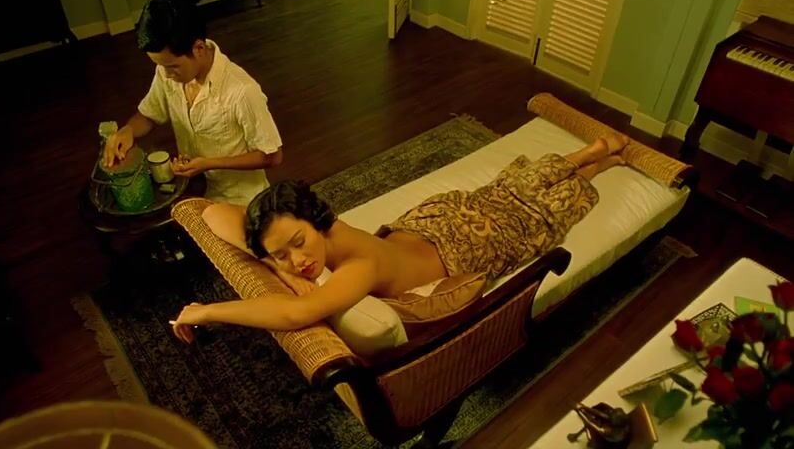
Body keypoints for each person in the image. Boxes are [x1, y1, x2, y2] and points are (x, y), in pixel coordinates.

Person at [171, 134, 630, 343]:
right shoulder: (323, 234)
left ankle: (591, 156)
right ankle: (596, 158)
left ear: (314, 221)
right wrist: (278, 266)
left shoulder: (358, 268)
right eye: (281, 255)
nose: (299, 260)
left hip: (464, 237)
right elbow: (215, 213)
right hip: (431, 226)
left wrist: (206, 310)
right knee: (510, 193)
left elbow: (295, 314)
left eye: (298, 242)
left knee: (531, 208)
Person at [103, 0, 283, 205]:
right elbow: (149, 115)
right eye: (160, 66)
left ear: (198, 49)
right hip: (192, 190)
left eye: (172, 67)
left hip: (238, 200)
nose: (166, 74)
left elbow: (273, 155)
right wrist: (128, 131)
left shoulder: (243, 91)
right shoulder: (166, 71)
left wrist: (209, 164)